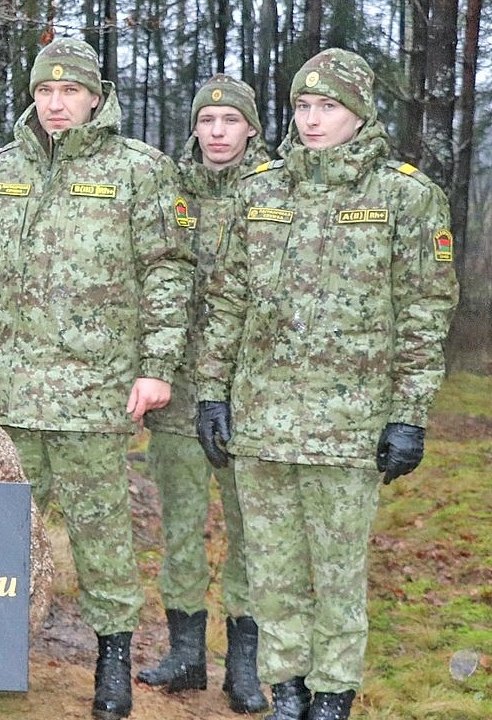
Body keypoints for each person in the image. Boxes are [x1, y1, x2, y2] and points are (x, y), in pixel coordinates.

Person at [195, 49, 458, 720]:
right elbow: (227, 301)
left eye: (329, 107)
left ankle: (333, 693)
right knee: (273, 572)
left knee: (338, 574)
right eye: (303, 107)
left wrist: (410, 414)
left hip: (351, 426)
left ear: (360, 112)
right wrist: (211, 392)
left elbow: (426, 313)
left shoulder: (405, 196)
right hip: (263, 420)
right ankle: (287, 690)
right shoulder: (260, 192)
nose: (313, 120)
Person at [0, 38, 193, 720]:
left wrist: (156, 367)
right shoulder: (2, 172)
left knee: (103, 535)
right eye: (44, 92)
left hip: (95, 394)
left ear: (94, 97)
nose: (55, 104)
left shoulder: (139, 170)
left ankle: (111, 662)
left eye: (69, 93)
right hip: (13, 394)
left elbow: (168, 272)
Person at [137, 74, 270, 714]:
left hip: (255, 390)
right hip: (179, 384)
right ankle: (186, 653)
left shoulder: (277, 189)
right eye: (206, 120)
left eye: (230, 121)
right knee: (182, 523)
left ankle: (244, 665)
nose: (217, 132)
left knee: (250, 531)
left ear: (251, 127)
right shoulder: (168, 187)